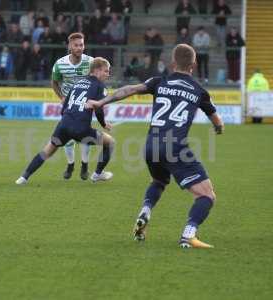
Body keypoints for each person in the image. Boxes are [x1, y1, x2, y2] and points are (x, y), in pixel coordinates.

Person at [86, 44, 224, 248]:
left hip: (151, 145)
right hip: (175, 147)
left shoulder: (160, 81)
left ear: (172, 63)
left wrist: (101, 102)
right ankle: (188, 234)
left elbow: (129, 89)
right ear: (194, 64)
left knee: (159, 180)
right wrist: (218, 127)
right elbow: (216, 119)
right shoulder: (199, 90)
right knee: (207, 195)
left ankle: (146, 210)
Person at [16, 57, 114, 185]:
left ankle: (23, 178)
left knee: (47, 151)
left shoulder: (78, 83)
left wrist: (66, 121)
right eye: (106, 71)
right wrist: (104, 124)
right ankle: (97, 174)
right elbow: (98, 109)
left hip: (64, 125)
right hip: (81, 129)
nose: (108, 74)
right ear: (96, 70)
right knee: (110, 142)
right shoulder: (100, 86)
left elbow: (65, 105)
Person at [51, 32, 94, 180]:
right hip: (68, 106)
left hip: (84, 104)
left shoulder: (91, 62)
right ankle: (70, 164)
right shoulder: (60, 64)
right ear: (70, 46)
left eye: (81, 45)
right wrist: (61, 97)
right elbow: (54, 82)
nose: (79, 48)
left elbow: (99, 78)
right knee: (68, 136)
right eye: (76, 45)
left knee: (85, 134)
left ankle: (85, 165)